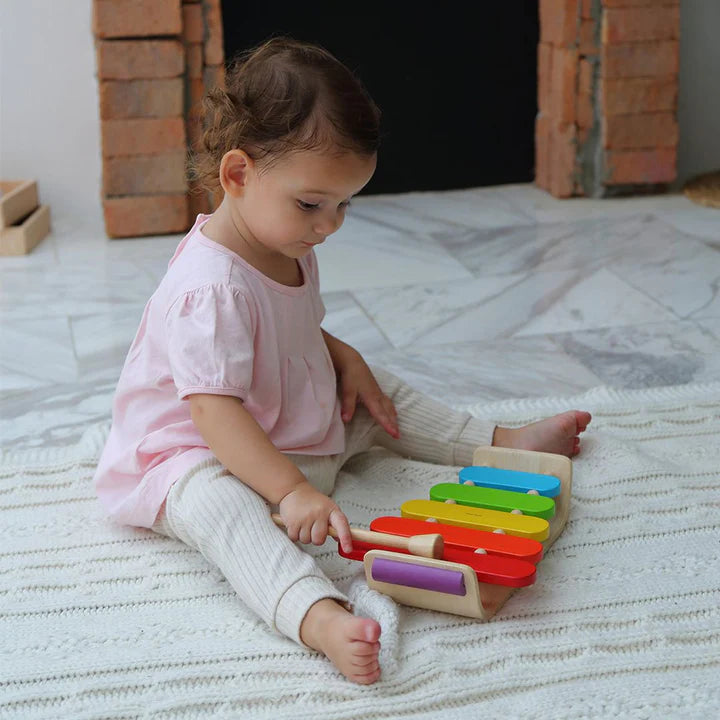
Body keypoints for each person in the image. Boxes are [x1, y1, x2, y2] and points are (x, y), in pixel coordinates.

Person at [93, 36, 591, 685]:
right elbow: (213, 410)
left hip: (277, 421)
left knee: (374, 392)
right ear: (237, 175)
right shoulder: (209, 288)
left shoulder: (285, 241)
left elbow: (287, 328)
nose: (329, 225)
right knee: (222, 511)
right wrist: (291, 490)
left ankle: (499, 441)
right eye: (312, 204)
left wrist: (342, 355)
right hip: (196, 449)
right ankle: (317, 614)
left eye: (343, 204)